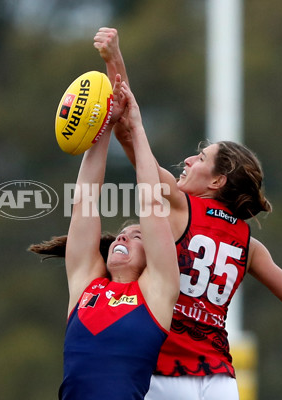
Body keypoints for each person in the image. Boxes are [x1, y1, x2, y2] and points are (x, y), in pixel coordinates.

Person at [93, 27, 282, 400]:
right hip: (220, 382)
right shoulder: (249, 245)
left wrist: (112, 59)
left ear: (217, 181)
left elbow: (128, 131)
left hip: (162, 374)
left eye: (200, 158)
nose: (188, 160)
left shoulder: (179, 207)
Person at [30, 75, 179, 400]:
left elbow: (152, 202)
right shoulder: (86, 284)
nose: (122, 238)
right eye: (120, 235)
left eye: (136, 235)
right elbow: (84, 199)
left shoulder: (156, 292)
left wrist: (136, 127)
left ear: (150, 256)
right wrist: (102, 128)